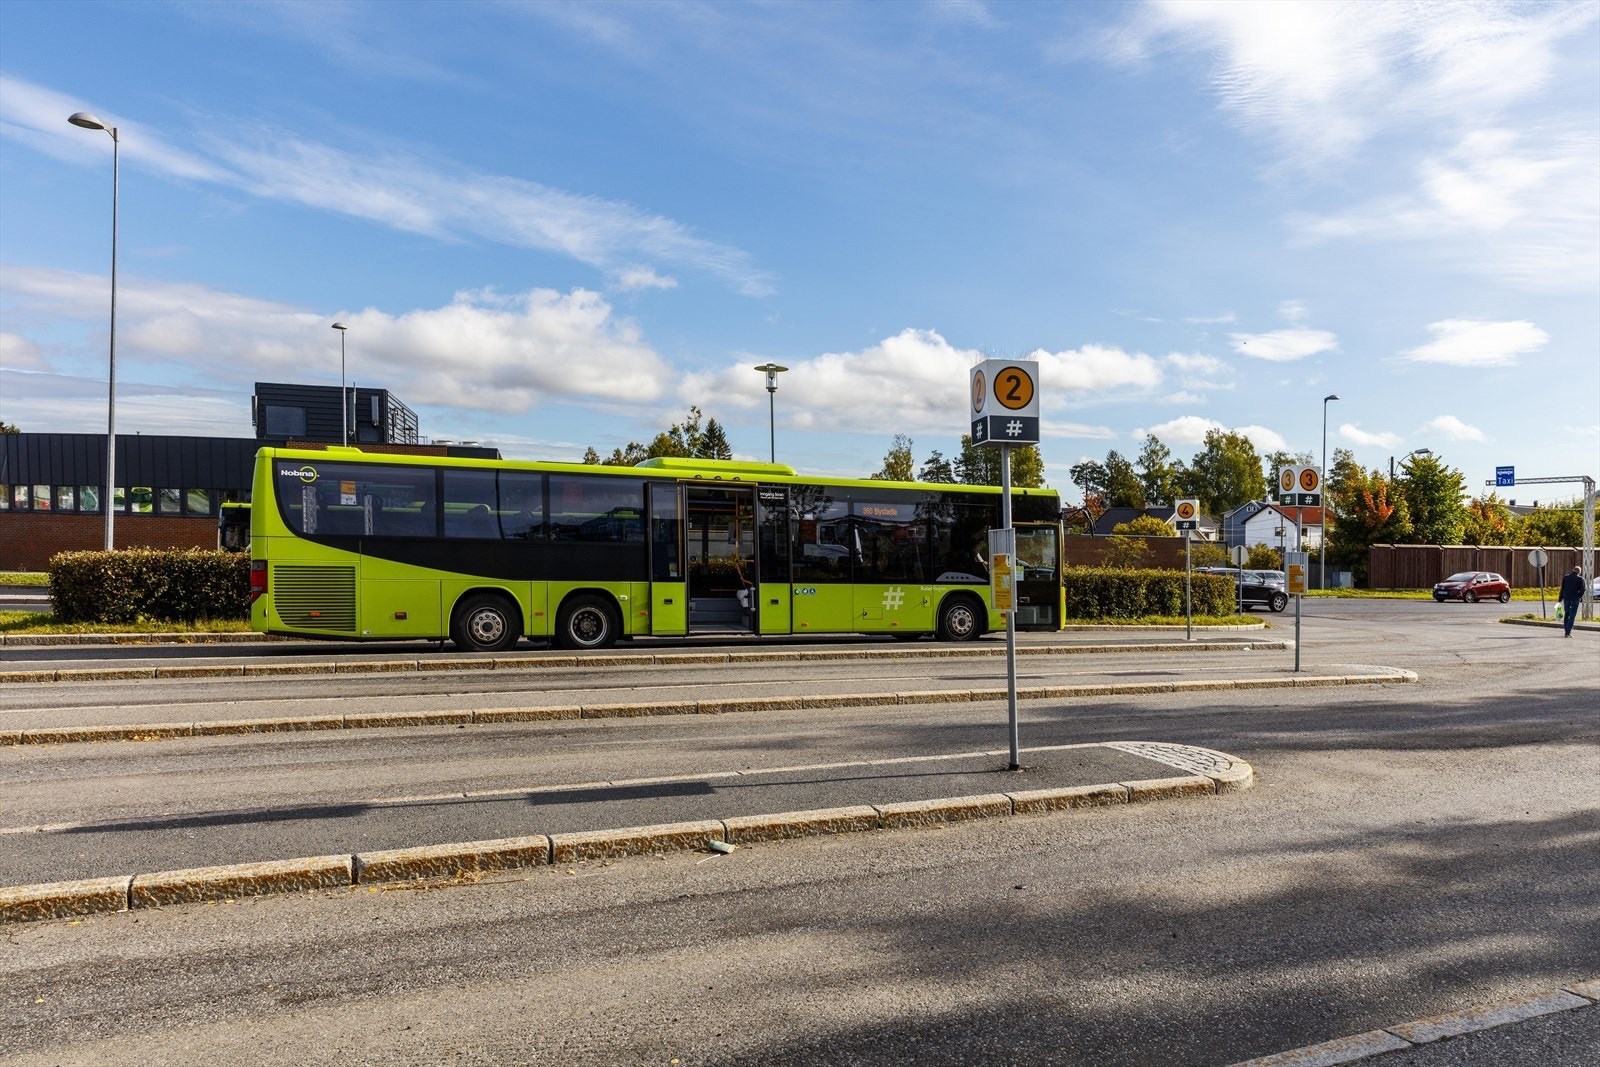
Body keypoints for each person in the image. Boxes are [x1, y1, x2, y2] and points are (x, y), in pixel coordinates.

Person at [1557, 565, 1585, 638]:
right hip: (1575, 598)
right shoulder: (1580, 579)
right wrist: (1579, 596)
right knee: (1572, 615)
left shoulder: (1566, 577)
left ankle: (1566, 630)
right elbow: (1582, 590)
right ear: (1579, 572)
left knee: (1567, 613)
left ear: (1573, 570)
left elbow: (1562, 588)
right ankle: (1568, 632)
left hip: (1566, 598)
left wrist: (1560, 598)